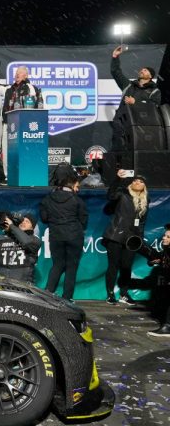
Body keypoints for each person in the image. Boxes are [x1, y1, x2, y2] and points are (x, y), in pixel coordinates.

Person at [102, 169, 150, 305]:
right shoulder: (123, 193)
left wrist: (139, 238)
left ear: (144, 186)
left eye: (141, 182)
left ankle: (124, 294)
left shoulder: (146, 199)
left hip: (132, 239)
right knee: (113, 265)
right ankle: (110, 294)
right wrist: (117, 179)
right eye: (135, 180)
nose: (137, 183)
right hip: (116, 235)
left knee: (127, 266)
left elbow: (142, 221)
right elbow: (110, 195)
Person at [40, 175, 88, 301]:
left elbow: (44, 218)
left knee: (57, 265)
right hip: (74, 235)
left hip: (56, 235)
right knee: (71, 268)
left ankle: (48, 293)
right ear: (71, 185)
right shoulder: (77, 200)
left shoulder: (47, 199)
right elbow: (83, 219)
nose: (78, 189)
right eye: (77, 186)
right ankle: (67, 298)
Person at [110, 45, 161, 151]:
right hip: (121, 123)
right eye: (142, 70)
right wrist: (115, 57)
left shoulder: (154, 91)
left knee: (137, 152)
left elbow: (154, 107)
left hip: (141, 127)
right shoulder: (128, 85)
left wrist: (136, 102)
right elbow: (116, 72)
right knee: (118, 149)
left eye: (146, 70)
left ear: (151, 76)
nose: (142, 71)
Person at [0, 214, 42, 285]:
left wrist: (12, 226)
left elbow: (26, 242)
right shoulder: (4, 238)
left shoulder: (35, 240)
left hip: (24, 286)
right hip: (2, 283)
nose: (23, 222)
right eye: (22, 221)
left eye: (27, 221)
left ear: (32, 227)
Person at [141, 225, 170, 338]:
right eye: (164, 235)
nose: (164, 238)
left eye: (168, 237)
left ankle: (168, 326)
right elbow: (159, 259)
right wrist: (154, 261)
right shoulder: (166, 251)